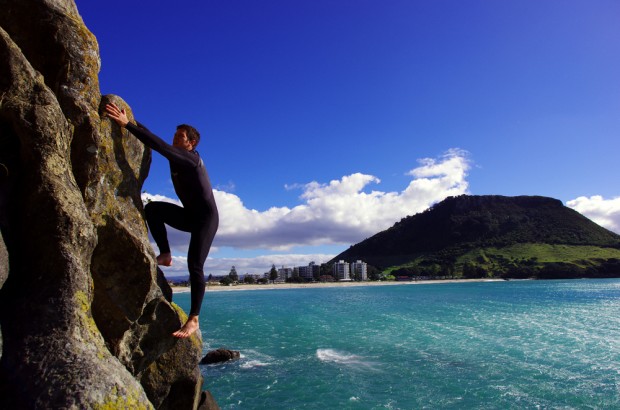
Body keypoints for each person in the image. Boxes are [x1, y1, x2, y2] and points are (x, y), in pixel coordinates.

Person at [105, 102, 219, 338]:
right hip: (190, 216)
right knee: (153, 209)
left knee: (195, 265)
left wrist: (128, 125)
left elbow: (158, 145)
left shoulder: (190, 159)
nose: (175, 138)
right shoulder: (177, 156)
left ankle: (194, 319)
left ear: (191, 143)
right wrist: (130, 119)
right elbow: (154, 138)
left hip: (206, 219)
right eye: (175, 135)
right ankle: (165, 254)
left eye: (181, 136)